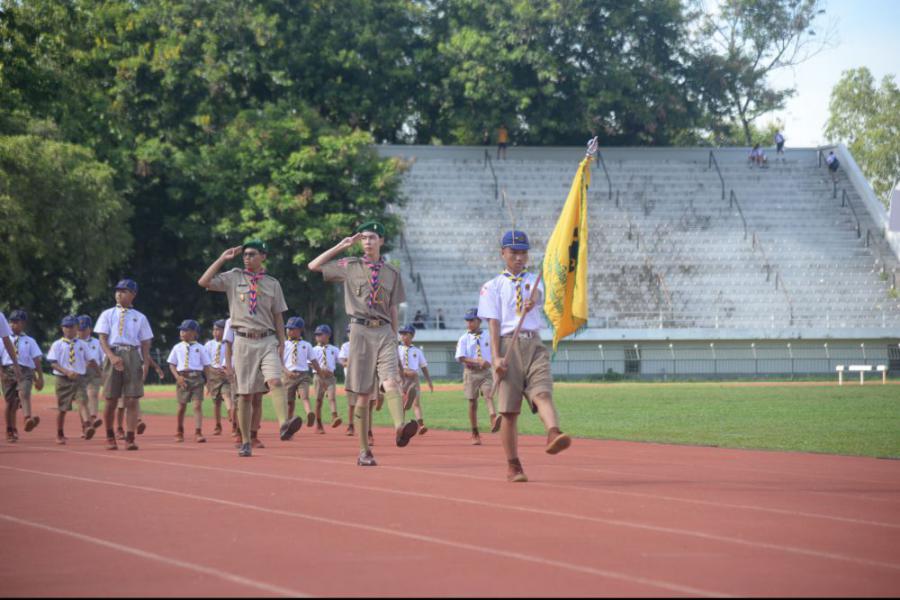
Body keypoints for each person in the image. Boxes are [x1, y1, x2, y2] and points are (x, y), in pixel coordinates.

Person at [308, 221, 420, 467]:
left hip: (385, 331)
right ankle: (363, 451)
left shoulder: (392, 272)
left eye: (372, 237)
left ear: (381, 241)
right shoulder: (350, 266)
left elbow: (393, 308)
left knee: (391, 381)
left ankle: (400, 427)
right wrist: (342, 245)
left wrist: (394, 337)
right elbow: (313, 266)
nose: (367, 242)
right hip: (359, 331)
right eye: (364, 238)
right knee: (363, 393)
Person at [478, 230, 572, 483]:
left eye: (523, 253)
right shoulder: (492, 287)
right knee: (509, 412)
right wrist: (496, 357)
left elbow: (538, 294)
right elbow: (493, 323)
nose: (519, 258)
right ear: (503, 253)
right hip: (507, 345)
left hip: (534, 344)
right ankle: (513, 464)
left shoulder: (534, 280)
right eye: (514, 253)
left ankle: (553, 433)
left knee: (542, 392)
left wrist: (533, 299)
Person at [198, 240, 302, 458]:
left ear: (263, 256)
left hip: (267, 339)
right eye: (245, 254)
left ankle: (284, 424)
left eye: (252, 254)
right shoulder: (234, 277)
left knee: (275, 381)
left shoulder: (272, 283)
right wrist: (222, 258)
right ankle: (245, 441)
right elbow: (204, 281)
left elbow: (278, 315)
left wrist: (282, 342)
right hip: (243, 341)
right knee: (244, 395)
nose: (247, 257)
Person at [95, 279, 153, 451]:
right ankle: (110, 436)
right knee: (111, 399)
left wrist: (146, 364)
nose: (119, 294)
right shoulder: (107, 314)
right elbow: (102, 338)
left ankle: (130, 437)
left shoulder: (140, 317)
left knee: (132, 399)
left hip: (132, 354)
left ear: (133, 294)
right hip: (113, 352)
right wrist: (111, 356)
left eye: (124, 291)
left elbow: (145, 342)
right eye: (117, 291)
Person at [455, 307, 499, 445]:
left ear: (479, 321)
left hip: (485, 372)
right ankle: (475, 432)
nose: (469, 323)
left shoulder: (488, 336)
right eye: (467, 321)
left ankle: (493, 417)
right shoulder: (464, 338)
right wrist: (477, 361)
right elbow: (461, 357)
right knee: (472, 402)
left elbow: (494, 351)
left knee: (489, 394)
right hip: (471, 373)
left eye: (472, 321)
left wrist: (491, 362)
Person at [46, 316, 91, 444]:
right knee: (63, 408)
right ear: (62, 328)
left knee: (82, 401)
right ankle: (59, 433)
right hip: (63, 379)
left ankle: (87, 426)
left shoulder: (82, 344)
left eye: (72, 327)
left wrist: (83, 369)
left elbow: (89, 360)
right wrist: (66, 372)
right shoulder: (57, 344)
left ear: (77, 328)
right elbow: (53, 363)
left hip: (79, 378)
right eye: (66, 327)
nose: (69, 329)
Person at [167, 319, 212, 443]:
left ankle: (198, 432)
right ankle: (179, 430)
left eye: (185, 330)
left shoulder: (201, 348)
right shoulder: (177, 347)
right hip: (183, 378)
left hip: (197, 378)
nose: (181, 332)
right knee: (181, 407)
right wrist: (177, 377)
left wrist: (208, 381)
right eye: (181, 330)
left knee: (197, 405)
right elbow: (172, 364)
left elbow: (206, 366)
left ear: (194, 333)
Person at [1, 310, 43, 441]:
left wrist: (39, 377)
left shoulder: (30, 341)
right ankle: (10, 429)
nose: (12, 325)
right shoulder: (3, 340)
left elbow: (36, 359)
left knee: (24, 392)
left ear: (23, 323)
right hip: (8, 370)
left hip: (25, 371)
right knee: (10, 403)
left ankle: (27, 418)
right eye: (11, 322)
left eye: (16, 322)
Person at [397, 324, 434, 434]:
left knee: (416, 403)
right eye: (401, 334)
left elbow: (424, 367)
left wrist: (429, 381)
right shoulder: (397, 349)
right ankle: (401, 426)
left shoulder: (417, 351)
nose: (403, 336)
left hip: (414, 379)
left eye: (405, 334)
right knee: (401, 404)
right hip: (402, 378)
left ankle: (421, 425)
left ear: (412, 336)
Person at [282, 316, 314, 426]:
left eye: (292, 329)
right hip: (288, 376)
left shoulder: (306, 345)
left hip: (303, 375)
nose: (288, 331)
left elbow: (313, 360)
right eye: (288, 328)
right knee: (289, 402)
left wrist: (320, 372)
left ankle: (309, 413)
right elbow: (279, 361)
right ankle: (288, 423)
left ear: (300, 330)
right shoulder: (284, 344)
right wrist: (286, 372)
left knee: (305, 396)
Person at [204, 319, 234, 436]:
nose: (215, 332)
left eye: (218, 330)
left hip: (225, 373)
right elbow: (206, 362)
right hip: (213, 374)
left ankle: (232, 418)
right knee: (216, 402)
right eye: (214, 330)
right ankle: (217, 425)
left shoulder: (229, 344)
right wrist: (207, 380)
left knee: (227, 395)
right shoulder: (209, 345)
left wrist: (228, 370)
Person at [311, 324, 342, 434]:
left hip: (330, 378)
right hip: (318, 377)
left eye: (320, 334)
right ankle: (319, 424)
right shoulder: (313, 350)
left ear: (328, 335)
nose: (318, 337)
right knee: (318, 400)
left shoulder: (334, 349)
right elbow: (310, 363)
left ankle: (334, 417)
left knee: (332, 397)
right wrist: (320, 370)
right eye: (317, 335)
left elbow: (340, 360)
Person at [77, 316, 104, 438]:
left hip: (94, 371)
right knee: (82, 400)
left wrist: (102, 372)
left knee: (92, 394)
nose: (81, 332)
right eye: (79, 329)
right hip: (79, 373)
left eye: (84, 329)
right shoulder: (73, 343)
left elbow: (103, 358)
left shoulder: (97, 343)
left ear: (90, 329)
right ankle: (86, 426)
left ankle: (92, 419)